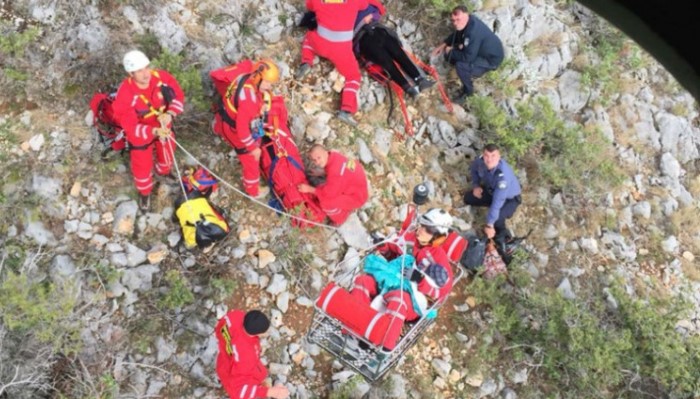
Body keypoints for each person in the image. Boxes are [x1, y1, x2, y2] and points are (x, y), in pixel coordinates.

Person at [349, 208, 455, 350]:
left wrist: (420, 280)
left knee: (398, 300)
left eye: (428, 229)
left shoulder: (438, 259)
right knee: (363, 281)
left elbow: (442, 293)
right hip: (391, 281)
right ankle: (353, 326)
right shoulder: (409, 238)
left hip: (412, 299)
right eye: (422, 224)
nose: (421, 230)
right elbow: (392, 255)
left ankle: (381, 344)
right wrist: (383, 246)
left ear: (438, 237)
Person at [112, 50, 185, 212]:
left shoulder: (160, 78)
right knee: (142, 165)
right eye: (139, 71)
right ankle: (145, 192)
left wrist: (170, 113)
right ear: (131, 73)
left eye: (146, 68)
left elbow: (177, 96)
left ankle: (163, 172)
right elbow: (129, 126)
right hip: (141, 134)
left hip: (162, 125)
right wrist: (153, 132)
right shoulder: (125, 94)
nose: (146, 74)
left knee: (167, 150)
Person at [209, 59, 281, 198]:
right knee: (251, 160)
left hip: (224, 116)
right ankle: (252, 190)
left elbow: (229, 95)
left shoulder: (244, 76)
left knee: (224, 123)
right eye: (267, 82)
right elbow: (242, 130)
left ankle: (217, 127)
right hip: (233, 130)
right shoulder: (249, 102)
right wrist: (253, 148)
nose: (269, 87)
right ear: (258, 77)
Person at [296, 0, 369, 126]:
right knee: (353, 76)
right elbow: (365, 5)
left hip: (321, 43)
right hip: (341, 50)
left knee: (309, 37)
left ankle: (306, 61)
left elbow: (309, 5)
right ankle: (346, 110)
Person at [353, 2, 435, 97]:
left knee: (398, 53)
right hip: (363, 38)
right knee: (386, 62)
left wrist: (371, 15)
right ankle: (408, 88)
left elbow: (379, 12)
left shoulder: (364, 3)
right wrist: (362, 23)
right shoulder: (342, 12)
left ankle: (420, 79)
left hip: (377, 29)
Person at [430, 5, 504, 102]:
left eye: (458, 19)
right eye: (453, 20)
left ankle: (468, 92)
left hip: (490, 60)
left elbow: (468, 57)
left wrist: (451, 51)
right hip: (479, 51)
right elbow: (457, 33)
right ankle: (457, 62)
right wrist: (443, 45)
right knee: (449, 55)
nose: (455, 23)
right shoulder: (467, 22)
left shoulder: (473, 32)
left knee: (461, 65)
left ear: (466, 15)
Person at [214, 309, 290, 399]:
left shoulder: (235, 315)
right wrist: (270, 392)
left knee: (261, 373)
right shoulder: (246, 357)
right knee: (240, 392)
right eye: (264, 332)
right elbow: (239, 391)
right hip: (230, 373)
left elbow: (218, 329)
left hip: (225, 357)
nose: (267, 333)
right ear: (257, 334)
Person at [297, 144, 369, 226]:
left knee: (326, 202)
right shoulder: (335, 156)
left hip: (357, 198)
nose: (317, 162)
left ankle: (341, 218)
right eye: (314, 160)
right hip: (356, 187)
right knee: (327, 188)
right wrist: (323, 172)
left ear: (325, 152)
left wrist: (309, 189)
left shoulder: (336, 173)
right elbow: (339, 172)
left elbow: (327, 194)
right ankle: (343, 202)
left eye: (319, 157)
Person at [463, 143, 521, 239]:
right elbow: (474, 169)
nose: (489, 159)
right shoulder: (480, 161)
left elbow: (498, 201)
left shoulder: (503, 178)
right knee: (468, 198)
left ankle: (505, 239)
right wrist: (476, 185)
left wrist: (489, 225)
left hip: (509, 199)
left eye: (493, 156)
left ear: (499, 157)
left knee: (497, 220)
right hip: (491, 191)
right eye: (486, 155)